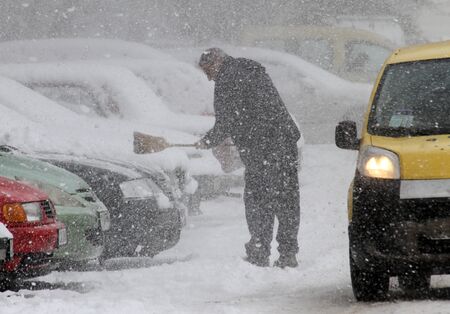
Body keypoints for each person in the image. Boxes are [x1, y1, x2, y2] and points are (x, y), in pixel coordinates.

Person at [196, 48, 301, 268]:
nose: (209, 77)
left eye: (208, 71)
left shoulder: (227, 79)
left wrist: (207, 141)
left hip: (261, 147)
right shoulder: (250, 68)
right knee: (286, 199)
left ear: (217, 62)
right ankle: (288, 253)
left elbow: (227, 121)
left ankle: (259, 250)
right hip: (284, 141)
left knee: (258, 200)